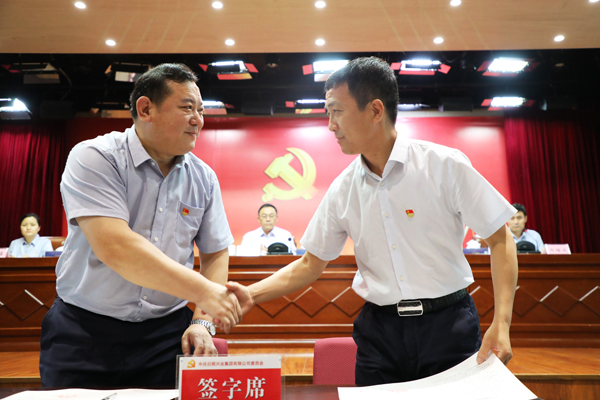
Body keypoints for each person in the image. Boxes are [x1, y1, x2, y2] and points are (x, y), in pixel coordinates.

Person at [227, 57, 518, 386]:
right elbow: (309, 264)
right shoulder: (343, 188)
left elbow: (500, 238)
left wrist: (502, 322)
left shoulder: (444, 165)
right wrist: (251, 294)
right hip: (380, 333)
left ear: (376, 110)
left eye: (337, 111)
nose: (330, 125)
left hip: (448, 327)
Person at [39, 63, 242, 388]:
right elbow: (116, 248)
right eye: (187, 107)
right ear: (146, 109)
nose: (198, 120)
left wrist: (203, 321)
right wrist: (205, 291)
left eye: (201, 111)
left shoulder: (203, 178)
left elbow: (215, 253)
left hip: (167, 335)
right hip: (84, 331)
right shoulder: (96, 157)